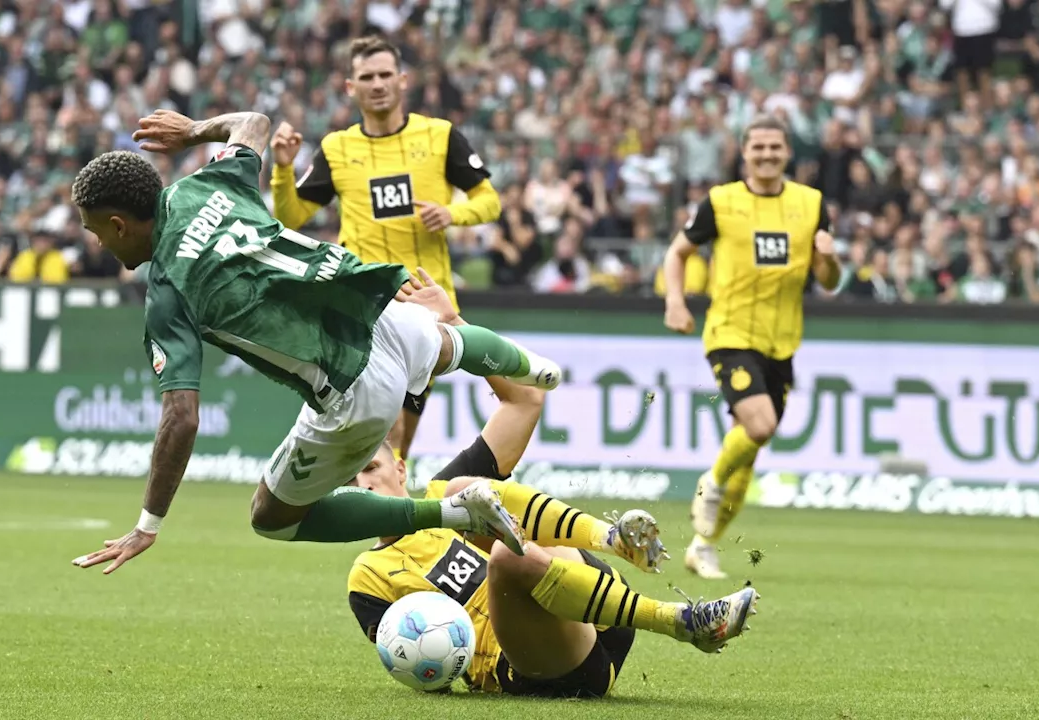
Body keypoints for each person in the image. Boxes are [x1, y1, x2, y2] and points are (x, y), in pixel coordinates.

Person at [68, 109, 560, 574]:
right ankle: (536, 368)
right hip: (376, 307)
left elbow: (182, 417)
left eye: (96, 233)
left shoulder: (168, 294)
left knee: (270, 516)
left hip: (351, 387)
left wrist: (147, 524)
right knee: (448, 344)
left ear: (119, 224)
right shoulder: (208, 182)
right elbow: (253, 123)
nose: (99, 245)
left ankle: (455, 514)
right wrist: (195, 131)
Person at [347, 271, 759, 698]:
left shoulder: (441, 490)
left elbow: (526, 398)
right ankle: (681, 620)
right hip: (539, 664)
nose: (364, 482)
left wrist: (455, 324)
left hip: (594, 600)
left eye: (371, 467)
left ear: (399, 468)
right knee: (506, 556)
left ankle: (611, 538)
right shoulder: (368, 578)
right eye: (351, 478)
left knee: (462, 494)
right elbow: (420, 671)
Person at [269, 36, 502, 462]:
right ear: (349, 87)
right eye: (366, 77)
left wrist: (453, 214)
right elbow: (291, 216)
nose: (377, 84)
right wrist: (283, 168)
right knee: (383, 433)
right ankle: (378, 510)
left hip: (425, 302)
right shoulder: (338, 149)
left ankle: (389, 513)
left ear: (403, 80)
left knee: (398, 445)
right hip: (363, 304)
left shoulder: (439, 136)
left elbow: (490, 200)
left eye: (384, 75)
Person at [663, 115, 842, 580]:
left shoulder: (811, 204)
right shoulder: (721, 203)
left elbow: (829, 281)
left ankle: (704, 546)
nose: (766, 155)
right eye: (757, 147)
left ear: (787, 153)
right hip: (730, 334)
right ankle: (712, 481)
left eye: (774, 147)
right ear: (744, 153)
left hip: (782, 343)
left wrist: (830, 258)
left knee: (751, 446)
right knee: (759, 425)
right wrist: (675, 301)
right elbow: (677, 253)